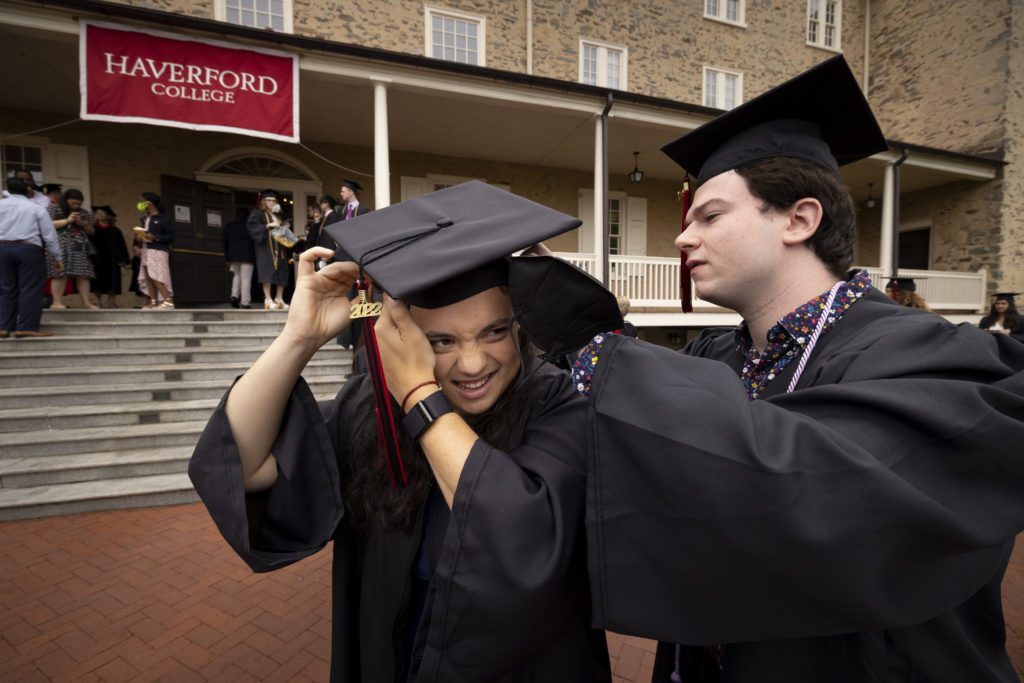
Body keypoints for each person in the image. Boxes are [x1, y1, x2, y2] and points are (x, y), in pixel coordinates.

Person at [520, 56, 1024, 682]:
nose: (682, 238)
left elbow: (812, 500)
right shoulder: (719, 356)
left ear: (799, 218)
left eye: (710, 216)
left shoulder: (937, 361)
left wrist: (597, 350)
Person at [188, 181, 611, 682]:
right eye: (441, 340)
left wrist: (420, 397)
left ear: (519, 326)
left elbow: (521, 545)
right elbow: (245, 466)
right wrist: (298, 338)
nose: (473, 363)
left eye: (494, 331)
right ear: (402, 335)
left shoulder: (555, 404)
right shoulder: (369, 409)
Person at [0, 176, 63, 337]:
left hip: (2, 248)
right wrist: (57, 257)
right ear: (28, 191)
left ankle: (4, 327)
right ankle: (26, 326)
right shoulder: (35, 208)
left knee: (6, 289)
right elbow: (49, 234)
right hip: (28, 249)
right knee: (30, 289)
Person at [47, 188, 97, 309]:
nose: (76, 206)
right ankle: (56, 302)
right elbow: (47, 225)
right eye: (73, 203)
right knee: (60, 272)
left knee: (83, 273)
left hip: (79, 245)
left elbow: (91, 232)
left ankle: (86, 302)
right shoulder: (54, 208)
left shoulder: (83, 213)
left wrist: (83, 223)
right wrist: (67, 220)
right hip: (59, 244)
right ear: (65, 200)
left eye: (78, 204)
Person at [246, 189, 289, 310]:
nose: (271, 203)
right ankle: (268, 299)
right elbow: (251, 227)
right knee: (267, 272)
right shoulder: (257, 213)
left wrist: (284, 225)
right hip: (265, 248)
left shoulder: (278, 215)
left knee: (282, 271)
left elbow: (284, 228)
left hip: (279, 247)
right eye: (268, 200)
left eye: (273, 201)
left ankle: (279, 298)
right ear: (263, 201)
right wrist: (268, 225)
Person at [136, 192, 175, 309]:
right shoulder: (144, 219)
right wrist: (139, 237)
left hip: (158, 250)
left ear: (150, 202)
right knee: (148, 275)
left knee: (156, 275)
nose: (140, 204)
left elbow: (170, 237)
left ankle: (167, 300)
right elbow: (143, 234)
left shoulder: (164, 219)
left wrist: (156, 237)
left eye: (142, 201)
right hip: (146, 250)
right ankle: (153, 301)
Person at [90, 205, 130, 308]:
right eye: (97, 213)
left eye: (101, 213)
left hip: (112, 260)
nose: (98, 214)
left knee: (113, 280)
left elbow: (122, 246)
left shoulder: (115, 231)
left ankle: (111, 301)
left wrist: (123, 259)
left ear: (108, 216)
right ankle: (97, 301)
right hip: (96, 259)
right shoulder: (92, 230)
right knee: (96, 280)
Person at [223, 207, 255, 309]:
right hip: (247, 254)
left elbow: (225, 242)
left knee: (236, 275)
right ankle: (245, 302)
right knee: (246, 278)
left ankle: (234, 296)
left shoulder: (229, 226)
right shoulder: (249, 226)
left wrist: (227, 256)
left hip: (233, 255)